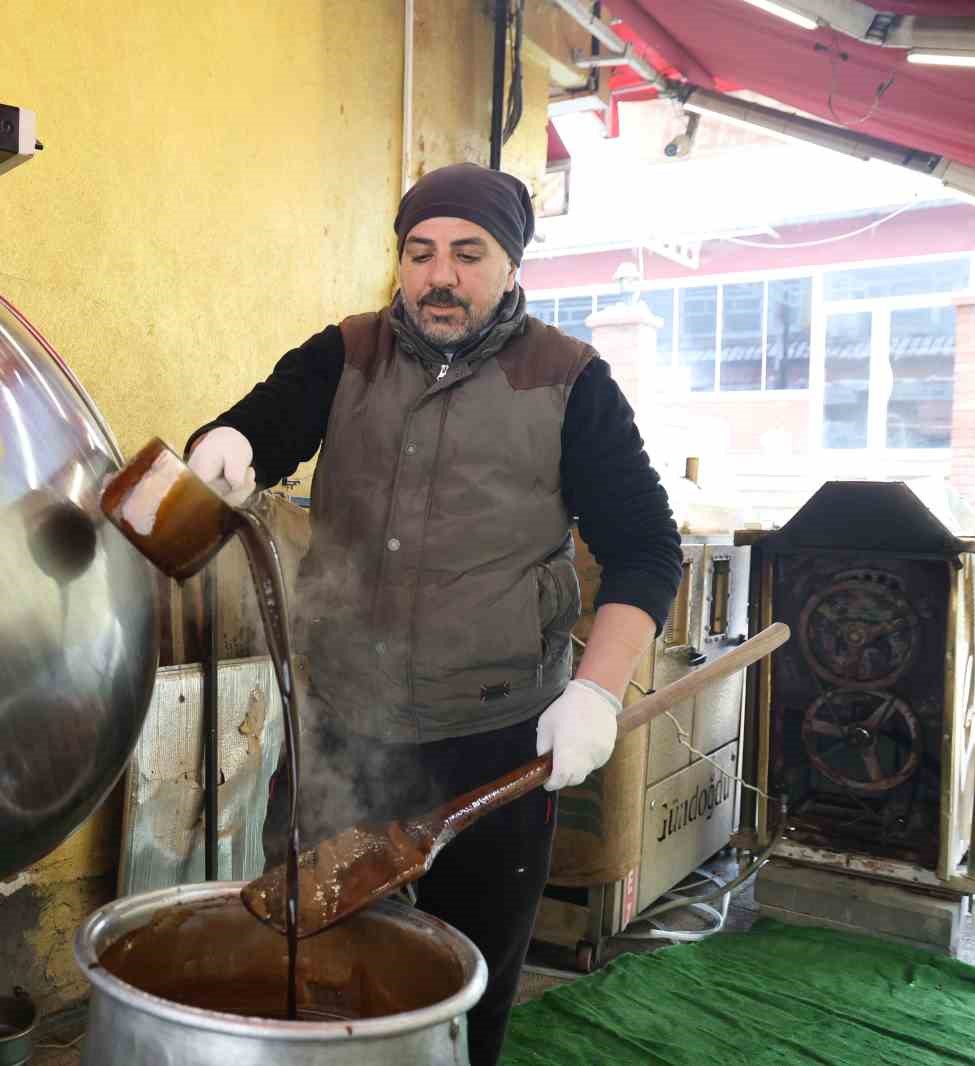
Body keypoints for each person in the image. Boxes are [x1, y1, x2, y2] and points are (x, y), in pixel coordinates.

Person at [184, 163, 682, 1064]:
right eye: (419, 253)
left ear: (512, 264)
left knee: (464, 1000)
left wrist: (598, 692)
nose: (439, 276)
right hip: (342, 732)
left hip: (495, 745)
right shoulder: (347, 354)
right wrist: (227, 442)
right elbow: (260, 426)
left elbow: (646, 546)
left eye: (467, 253)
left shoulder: (570, 382)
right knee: (308, 979)